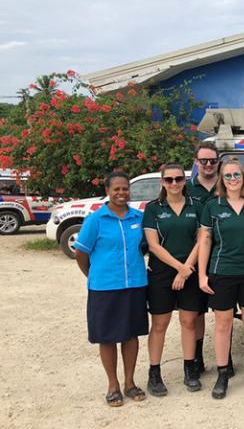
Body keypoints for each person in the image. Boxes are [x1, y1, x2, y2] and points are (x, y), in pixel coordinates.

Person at [198, 157, 244, 399]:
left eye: (236, 175)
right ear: (222, 179)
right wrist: (202, 275)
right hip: (222, 273)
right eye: (228, 175)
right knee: (223, 325)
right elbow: (205, 242)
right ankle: (222, 374)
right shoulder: (213, 205)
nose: (232, 179)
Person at [74, 171, 148, 407]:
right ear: (107, 190)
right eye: (116, 189)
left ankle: (130, 382)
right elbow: (81, 253)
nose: (121, 193)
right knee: (107, 337)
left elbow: (145, 247)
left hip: (135, 284)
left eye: (125, 188)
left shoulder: (138, 217)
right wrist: (95, 275)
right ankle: (113, 385)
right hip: (104, 288)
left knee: (131, 334)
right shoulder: (96, 220)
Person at [143, 164, 206, 396]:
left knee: (189, 322)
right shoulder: (153, 208)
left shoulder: (196, 206)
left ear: (185, 181)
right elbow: (153, 245)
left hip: (189, 269)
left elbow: (202, 241)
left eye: (178, 179)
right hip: (162, 272)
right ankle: (154, 372)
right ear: (162, 182)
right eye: (168, 180)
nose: (174, 184)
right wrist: (179, 268)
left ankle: (190, 369)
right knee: (160, 324)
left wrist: (186, 269)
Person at [186, 141, 220, 373]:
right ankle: (196, 359)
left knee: (223, 312)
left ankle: (223, 358)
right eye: (204, 160)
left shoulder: (228, 185)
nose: (208, 165)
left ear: (219, 162)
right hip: (194, 258)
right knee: (196, 312)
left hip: (221, 258)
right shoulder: (186, 189)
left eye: (212, 160)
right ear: (196, 162)